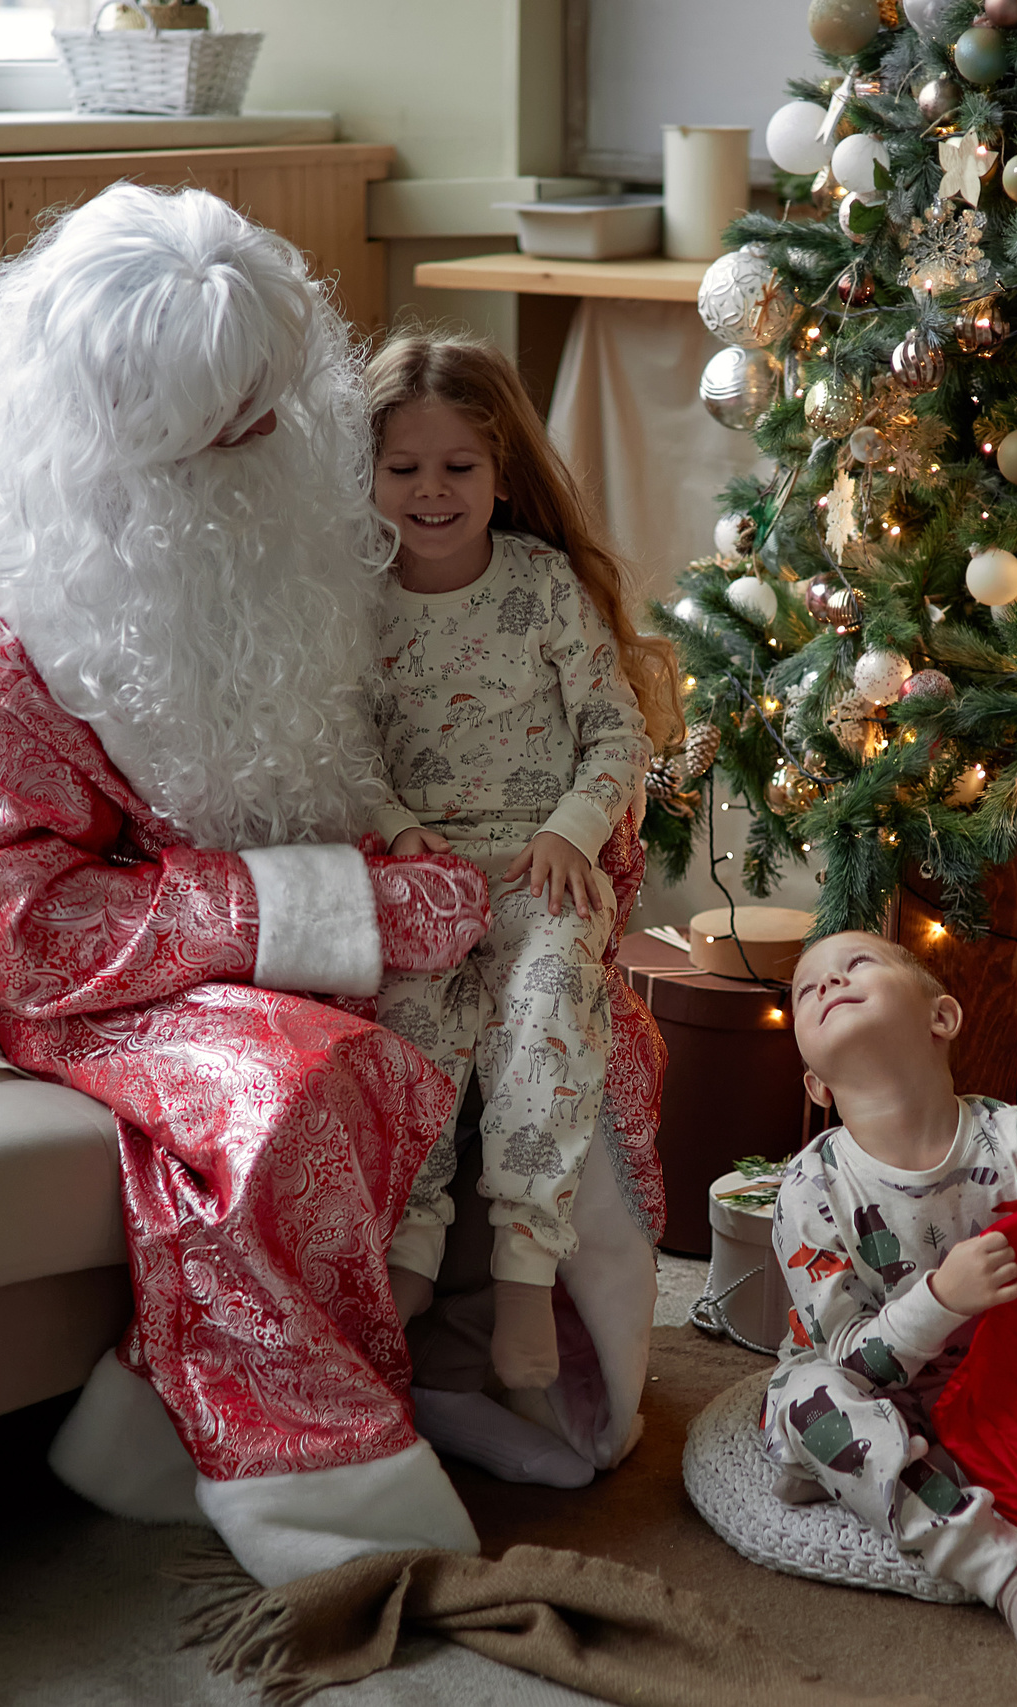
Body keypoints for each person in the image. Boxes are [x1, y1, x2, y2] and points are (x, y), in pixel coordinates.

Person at [0, 184, 511, 1586]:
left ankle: (177, 1419)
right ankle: (326, 1498)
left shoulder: (293, 508)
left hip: (280, 922)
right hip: (91, 982)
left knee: (545, 1009)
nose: (279, 441)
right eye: (235, 426)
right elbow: (17, 928)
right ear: (122, 440)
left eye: (280, 400)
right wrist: (331, 909)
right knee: (294, 1083)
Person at [356, 333, 679, 1485]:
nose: (431, 492)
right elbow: (343, 750)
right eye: (404, 469)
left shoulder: (539, 587)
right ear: (368, 476)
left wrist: (572, 831)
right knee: (410, 1033)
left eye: (459, 467)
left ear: (501, 474)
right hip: (425, 874)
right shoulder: (356, 606)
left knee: (546, 1015)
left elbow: (615, 729)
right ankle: (408, 1259)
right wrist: (398, 827)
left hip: (544, 871)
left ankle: (525, 1275)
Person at [766, 931, 1017, 1676]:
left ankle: (872, 1474)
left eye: (856, 965)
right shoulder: (810, 1188)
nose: (828, 983)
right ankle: (1004, 1571)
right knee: (810, 1404)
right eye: (806, 989)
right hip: (871, 1384)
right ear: (816, 1086)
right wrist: (940, 1298)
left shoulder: (1011, 1138)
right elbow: (849, 1358)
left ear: (942, 1017)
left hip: (1006, 1380)